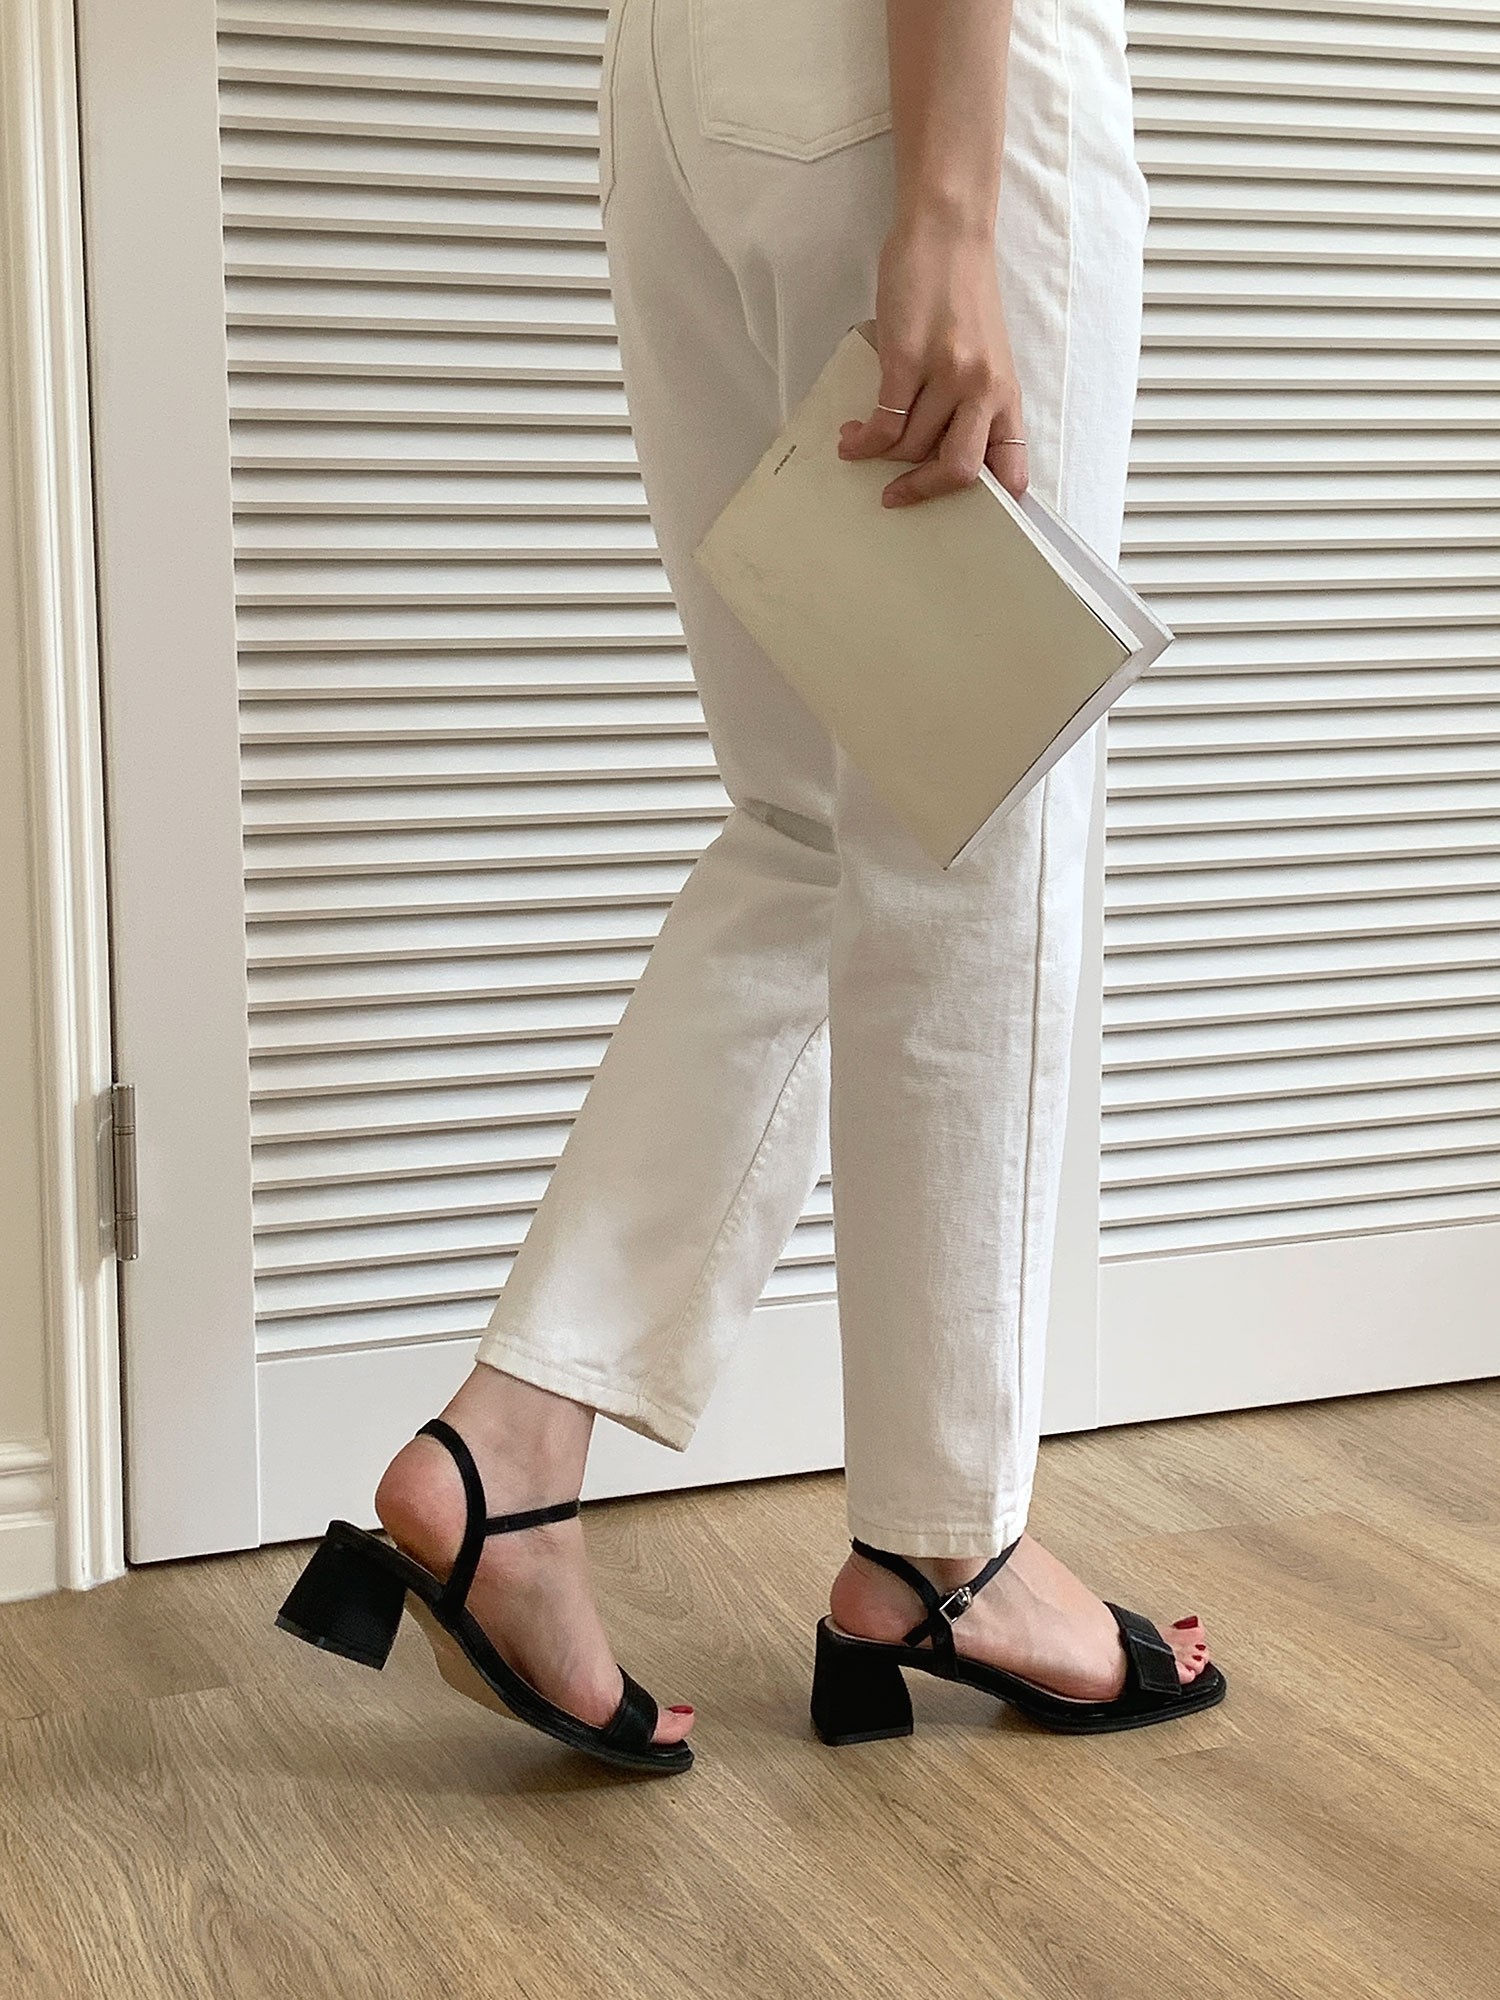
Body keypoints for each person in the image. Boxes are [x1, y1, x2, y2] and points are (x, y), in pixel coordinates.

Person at [276, 0, 1224, 1773]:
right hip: (922, 73)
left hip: (684, 85)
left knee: (810, 821)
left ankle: (511, 1452)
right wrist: (950, 209)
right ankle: (949, 1550)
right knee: (972, 810)